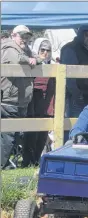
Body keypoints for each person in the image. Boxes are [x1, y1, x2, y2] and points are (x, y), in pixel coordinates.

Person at [1, 25, 43, 168]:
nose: (24, 39)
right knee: (8, 137)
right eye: (21, 36)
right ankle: (3, 166)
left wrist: (34, 60)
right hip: (9, 99)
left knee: (16, 135)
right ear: (13, 35)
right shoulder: (8, 47)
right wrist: (29, 60)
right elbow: (16, 59)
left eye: (27, 37)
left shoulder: (25, 49)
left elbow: (38, 57)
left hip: (21, 100)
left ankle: (6, 165)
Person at [22, 38, 56, 167]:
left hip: (47, 105)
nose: (45, 53)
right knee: (31, 134)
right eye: (42, 50)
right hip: (33, 103)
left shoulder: (53, 66)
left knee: (42, 135)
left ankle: (36, 161)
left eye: (48, 50)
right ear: (37, 49)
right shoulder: (32, 63)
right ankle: (27, 162)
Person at [60, 26, 88, 123]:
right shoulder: (70, 49)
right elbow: (69, 75)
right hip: (75, 96)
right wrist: (77, 94)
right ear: (81, 35)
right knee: (74, 124)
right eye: (87, 35)